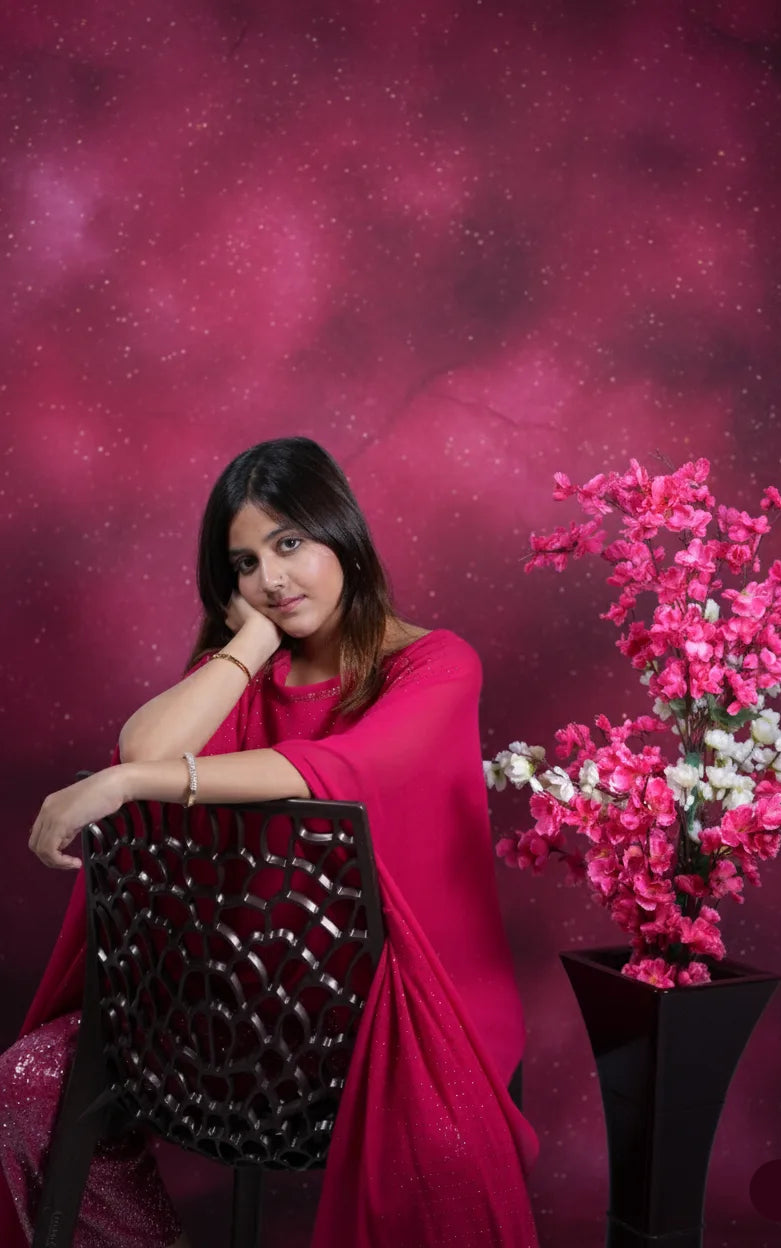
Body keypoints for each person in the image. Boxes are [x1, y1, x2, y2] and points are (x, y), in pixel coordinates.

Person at [0, 437, 538, 1248]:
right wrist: (248, 647)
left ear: (342, 533)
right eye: (245, 564)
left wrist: (127, 783)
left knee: (440, 1154)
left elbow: (346, 770)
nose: (272, 579)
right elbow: (144, 748)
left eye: (289, 544)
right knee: (26, 1084)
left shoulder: (436, 665)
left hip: (388, 1018)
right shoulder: (246, 674)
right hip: (224, 1021)